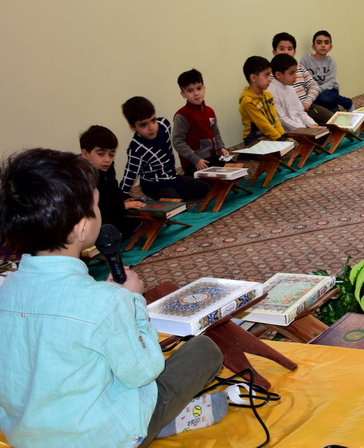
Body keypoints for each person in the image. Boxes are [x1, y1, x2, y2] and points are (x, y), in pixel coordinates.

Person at [0, 148, 225, 447]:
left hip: (28, 438)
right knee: (204, 349)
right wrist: (132, 302)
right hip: (106, 438)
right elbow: (144, 372)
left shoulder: (5, 289)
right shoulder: (104, 302)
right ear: (82, 228)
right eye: (95, 205)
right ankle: (159, 423)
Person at [119, 96, 209, 201]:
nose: (151, 127)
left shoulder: (164, 125)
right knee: (175, 205)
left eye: (153, 120)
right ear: (133, 128)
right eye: (143, 125)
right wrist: (121, 196)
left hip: (172, 177)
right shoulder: (136, 148)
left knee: (205, 189)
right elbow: (130, 173)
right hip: (154, 184)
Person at [79, 125, 144, 238]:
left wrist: (125, 198)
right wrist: (121, 205)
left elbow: (113, 190)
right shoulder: (78, 175)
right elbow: (93, 207)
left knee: (138, 210)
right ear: (85, 154)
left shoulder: (107, 167)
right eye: (101, 154)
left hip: (108, 208)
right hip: (88, 215)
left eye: (111, 154)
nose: (107, 159)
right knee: (106, 228)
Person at [172, 69, 230, 174]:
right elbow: (178, 142)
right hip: (195, 163)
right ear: (183, 94)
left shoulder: (210, 111)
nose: (196, 93)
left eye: (199, 88)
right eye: (190, 90)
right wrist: (195, 159)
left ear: (204, 88)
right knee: (212, 183)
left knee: (237, 169)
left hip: (213, 158)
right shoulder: (182, 115)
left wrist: (221, 147)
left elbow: (215, 133)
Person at [272, 32, 337, 122]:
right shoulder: (272, 74)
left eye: (289, 49)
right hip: (290, 113)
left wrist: (307, 101)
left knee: (334, 120)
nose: (286, 52)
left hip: (308, 107)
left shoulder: (300, 68)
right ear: (274, 52)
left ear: (294, 52)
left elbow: (314, 86)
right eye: (281, 49)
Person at [300, 30, 354, 113]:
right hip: (312, 93)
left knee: (324, 97)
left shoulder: (331, 61)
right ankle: (335, 110)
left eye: (326, 42)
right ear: (313, 46)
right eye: (319, 42)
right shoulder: (305, 60)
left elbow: (330, 82)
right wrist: (313, 92)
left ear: (331, 47)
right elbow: (302, 80)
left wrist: (317, 90)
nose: (323, 45)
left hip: (329, 90)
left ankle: (348, 103)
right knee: (330, 111)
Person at [239, 55, 286, 143]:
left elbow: (275, 118)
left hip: (270, 135)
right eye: (266, 75)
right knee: (285, 151)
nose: (270, 80)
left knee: (295, 145)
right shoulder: (247, 101)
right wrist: (279, 139)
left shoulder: (268, 95)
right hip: (254, 139)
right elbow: (263, 125)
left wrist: (282, 135)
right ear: (253, 78)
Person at [271, 53, 323, 132]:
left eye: (295, 72)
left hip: (301, 128)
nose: (295, 76)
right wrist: (304, 130)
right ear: (278, 74)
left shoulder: (290, 87)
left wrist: (312, 125)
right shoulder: (270, 92)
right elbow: (282, 119)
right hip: (288, 132)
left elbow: (300, 112)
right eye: (292, 73)